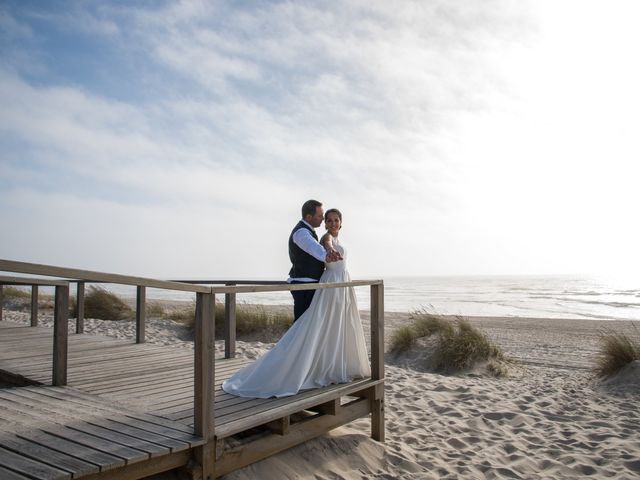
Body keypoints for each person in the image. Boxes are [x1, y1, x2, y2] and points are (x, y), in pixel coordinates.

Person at [222, 208, 371, 398]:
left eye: (336, 220)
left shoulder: (337, 239)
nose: (332, 223)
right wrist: (331, 249)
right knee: (315, 325)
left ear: (341, 222)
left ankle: (333, 364)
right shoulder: (325, 238)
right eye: (329, 220)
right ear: (325, 223)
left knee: (337, 324)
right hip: (332, 283)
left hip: (342, 284)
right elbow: (326, 244)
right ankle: (303, 367)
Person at [287, 199, 342, 321]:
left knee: (308, 323)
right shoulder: (301, 232)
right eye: (320, 216)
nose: (322, 219)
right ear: (308, 217)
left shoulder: (308, 230)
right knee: (302, 324)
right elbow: (313, 247)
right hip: (304, 284)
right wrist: (327, 255)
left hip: (309, 283)